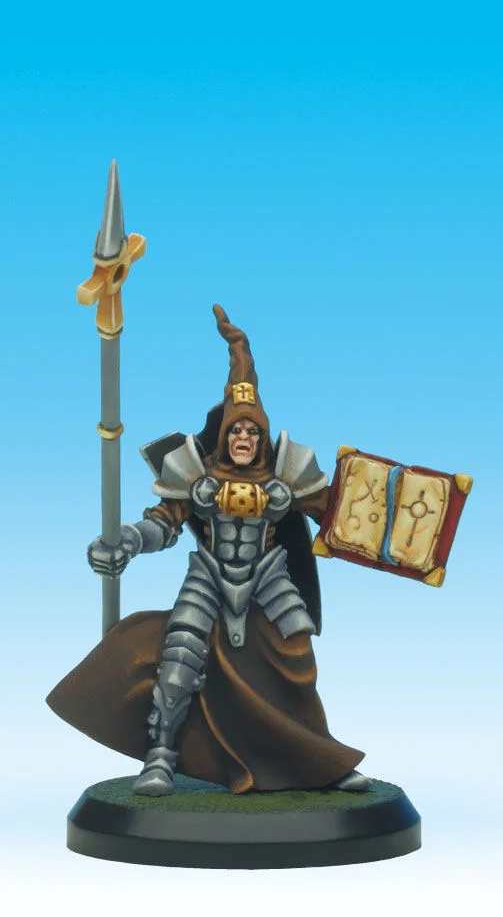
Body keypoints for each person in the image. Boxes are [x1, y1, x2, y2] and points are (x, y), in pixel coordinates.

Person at [52, 305, 369, 796]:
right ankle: (160, 757)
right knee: (179, 659)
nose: (243, 437)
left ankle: (318, 759)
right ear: (224, 435)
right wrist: (128, 541)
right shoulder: (197, 475)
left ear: (263, 437)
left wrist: (379, 517)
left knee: (298, 660)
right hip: (209, 575)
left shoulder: (284, 475)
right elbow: (164, 523)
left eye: (252, 431)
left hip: (267, 576)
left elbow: (338, 513)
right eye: (236, 430)